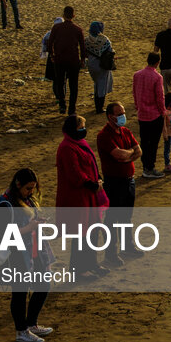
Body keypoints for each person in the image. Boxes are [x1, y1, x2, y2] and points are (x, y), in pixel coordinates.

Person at [0, 168, 53, 342]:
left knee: (43, 284)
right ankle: (21, 331)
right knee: (20, 292)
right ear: (18, 184)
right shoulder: (5, 204)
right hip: (16, 255)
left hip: (34, 251)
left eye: (33, 188)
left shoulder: (25, 199)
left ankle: (31, 324)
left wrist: (37, 223)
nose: (31, 192)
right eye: (28, 188)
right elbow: (0, 234)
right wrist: (29, 228)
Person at [55, 115, 107, 277]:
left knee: (92, 231)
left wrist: (98, 178)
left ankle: (92, 264)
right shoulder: (66, 147)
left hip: (88, 195)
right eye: (81, 127)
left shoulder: (80, 144)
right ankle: (78, 269)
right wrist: (91, 183)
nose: (84, 130)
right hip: (77, 197)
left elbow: (91, 164)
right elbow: (74, 173)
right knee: (81, 234)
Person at [96, 102, 144, 265]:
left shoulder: (125, 131)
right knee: (111, 219)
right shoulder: (104, 136)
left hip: (128, 180)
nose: (123, 116)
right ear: (110, 116)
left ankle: (127, 246)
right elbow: (120, 154)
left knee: (126, 217)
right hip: (113, 182)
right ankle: (111, 253)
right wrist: (130, 154)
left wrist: (128, 155)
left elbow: (138, 151)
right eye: (120, 113)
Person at [132, 52, 166, 179]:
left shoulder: (137, 75)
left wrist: (138, 106)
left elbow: (134, 92)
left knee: (145, 142)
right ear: (158, 62)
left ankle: (146, 167)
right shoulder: (157, 77)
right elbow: (160, 97)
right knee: (153, 143)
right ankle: (150, 167)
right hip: (154, 115)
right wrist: (163, 112)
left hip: (142, 114)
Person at [48, 7, 86, 115]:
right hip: (73, 60)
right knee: (73, 85)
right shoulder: (78, 29)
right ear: (74, 16)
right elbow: (82, 46)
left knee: (60, 83)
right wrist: (83, 59)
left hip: (59, 59)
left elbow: (50, 43)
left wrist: (52, 55)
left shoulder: (56, 28)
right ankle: (72, 108)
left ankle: (62, 105)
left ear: (63, 15)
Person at [84, 21, 115, 114]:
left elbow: (85, 53)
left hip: (91, 65)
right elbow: (110, 51)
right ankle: (99, 108)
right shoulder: (104, 40)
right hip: (102, 65)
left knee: (96, 84)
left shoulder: (86, 40)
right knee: (102, 85)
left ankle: (98, 105)